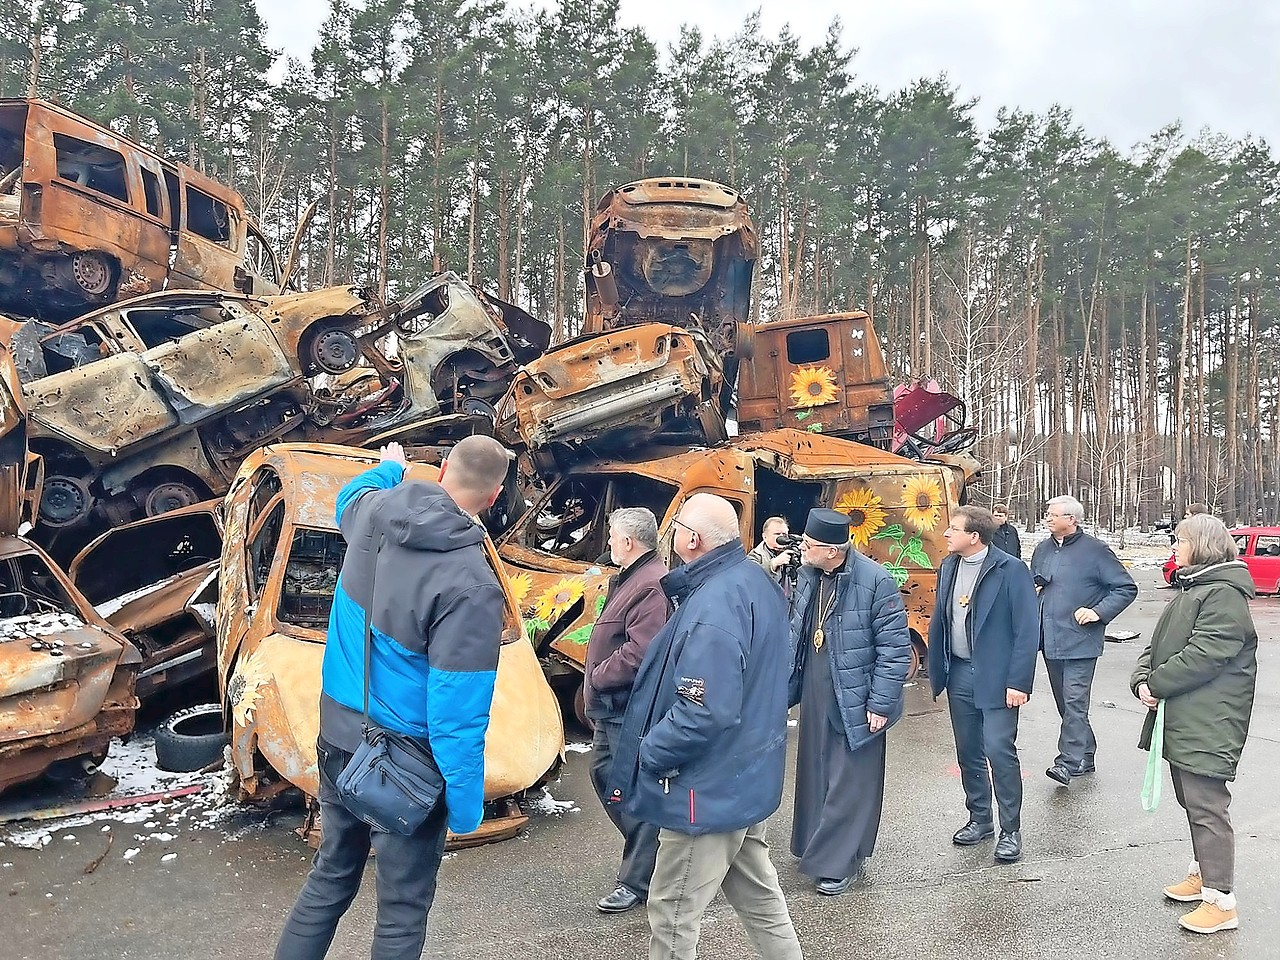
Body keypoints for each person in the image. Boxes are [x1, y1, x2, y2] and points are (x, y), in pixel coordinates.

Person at [274, 436, 513, 960]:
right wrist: (467, 805)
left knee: (331, 876)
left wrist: (387, 468)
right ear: (494, 497)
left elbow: (347, 498)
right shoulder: (472, 584)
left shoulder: (373, 512)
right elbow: (458, 714)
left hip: (339, 734)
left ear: (442, 468)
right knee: (402, 911)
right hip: (404, 764)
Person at [608, 493, 803, 960]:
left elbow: (703, 711)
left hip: (704, 789)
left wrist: (649, 754)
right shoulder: (752, 582)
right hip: (741, 777)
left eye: (676, 527)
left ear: (692, 540)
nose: (671, 535)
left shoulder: (715, 603)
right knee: (760, 898)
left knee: (672, 914)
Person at [1131, 514, 1257, 935]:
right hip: (1184, 715)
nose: (1173, 546)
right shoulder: (1193, 588)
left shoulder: (1222, 595)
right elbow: (1157, 646)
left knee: (1207, 807)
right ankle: (1203, 874)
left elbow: (1206, 654)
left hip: (1209, 719)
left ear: (1202, 545)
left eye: (1179, 540)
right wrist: (1141, 680)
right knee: (1192, 801)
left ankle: (1221, 902)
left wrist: (1157, 683)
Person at [788, 508, 911, 895]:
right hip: (815, 689)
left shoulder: (877, 582)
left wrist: (881, 703)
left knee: (850, 779)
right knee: (816, 771)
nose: (802, 549)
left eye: (808, 545)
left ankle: (841, 861)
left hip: (857, 697)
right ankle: (813, 844)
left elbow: (895, 650)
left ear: (831, 550)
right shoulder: (810, 575)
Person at [927, 505, 1038, 864]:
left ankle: (1010, 829)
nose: (946, 534)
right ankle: (980, 819)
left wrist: (1019, 681)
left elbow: (1027, 630)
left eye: (953, 529)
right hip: (958, 672)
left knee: (999, 750)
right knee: (968, 750)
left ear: (974, 536)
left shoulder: (1011, 570)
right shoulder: (949, 566)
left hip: (998, 677)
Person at [583, 507, 670, 914]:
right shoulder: (633, 577)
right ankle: (653, 854)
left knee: (629, 790)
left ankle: (639, 878)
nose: (610, 544)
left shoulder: (650, 584)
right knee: (605, 775)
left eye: (613, 537)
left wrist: (599, 676)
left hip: (626, 707)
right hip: (613, 708)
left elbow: (641, 650)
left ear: (629, 542)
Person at [1031, 495, 1137, 785]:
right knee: (1066, 705)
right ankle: (1085, 753)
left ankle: (1067, 762)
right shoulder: (1043, 549)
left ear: (1072, 519)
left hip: (1080, 640)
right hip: (1049, 638)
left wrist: (1097, 612)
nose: (1047, 519)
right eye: (1046, 514)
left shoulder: (1096, 551)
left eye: (1053, 515)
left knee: (1075, 702)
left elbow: (1126, 588)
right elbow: (1035, 583)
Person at [748, 516, 796, 586]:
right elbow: (751, 577)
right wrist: (773, 564)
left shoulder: (792, 552)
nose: (781, 537)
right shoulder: (754, 556)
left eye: (784, 534)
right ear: (765, 537)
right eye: (777, 534)